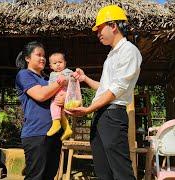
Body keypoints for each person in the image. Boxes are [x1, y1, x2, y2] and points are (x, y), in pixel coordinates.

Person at [69, 5, 142, 180]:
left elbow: (116, 90)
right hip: (101, 116)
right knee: (103, 171)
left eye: (100, 28)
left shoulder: (129, 51)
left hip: (113, 116)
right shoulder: (111, 55)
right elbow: (105, 88)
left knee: (121, 171)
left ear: (113, 25)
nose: (98, 33)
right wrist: (85, 79)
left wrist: (88, 109)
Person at [15, 41, 66, 180]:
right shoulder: (24, 75)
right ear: (27, 58)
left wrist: (64, 99)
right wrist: (61, 81)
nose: (43, 58)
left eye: (44, 55)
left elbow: (58, 97)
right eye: (38, 55)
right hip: (36, 134)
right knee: (36, 176)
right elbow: (41, 95)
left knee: (50, 175)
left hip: (54, 133)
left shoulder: (48, 78)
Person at [47, 52, 73, 140]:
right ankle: (67, 129)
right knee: (62, 114)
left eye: (60, 62)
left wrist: (65, 78)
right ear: (51, 66)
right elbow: (50, 86)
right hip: (56, 94)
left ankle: (56, 123)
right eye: (55, 63)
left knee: (53, 105)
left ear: (65, 63)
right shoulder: (52, 75)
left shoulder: (67, 71)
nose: (58, 64)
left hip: (64, 93)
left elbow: (73, 79)